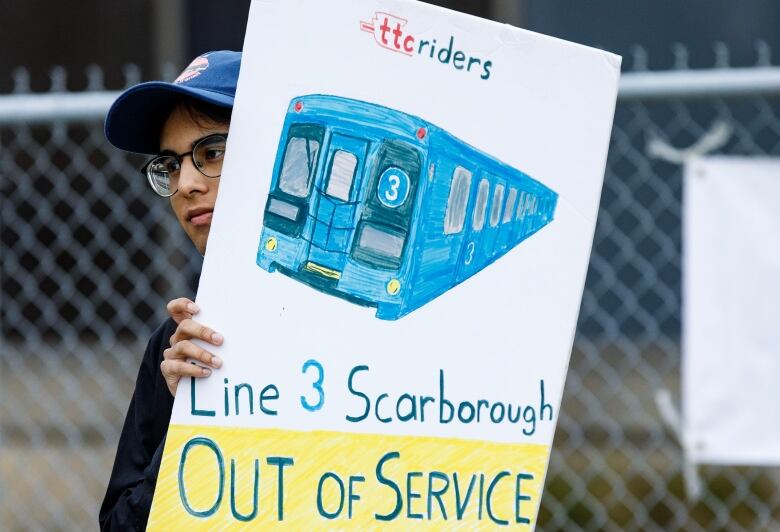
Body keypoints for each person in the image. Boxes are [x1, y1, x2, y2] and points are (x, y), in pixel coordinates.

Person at [98, 50, 240, 531]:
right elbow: (120, 524)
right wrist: (191, 420)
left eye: (212, 153)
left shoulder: (368, 321)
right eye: (170, 165)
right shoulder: (177, 345)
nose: (186, 184)